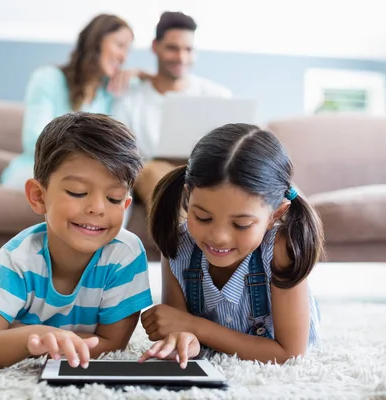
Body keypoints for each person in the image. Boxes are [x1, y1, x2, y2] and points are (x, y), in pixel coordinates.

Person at [0, 112, 152, 369]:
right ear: (38, 196)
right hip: (16, 312)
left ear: (125, 204)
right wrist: (29, 338)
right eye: (78, 192)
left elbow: (111, 345)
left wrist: (42, 339)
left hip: (24, 322)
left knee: (3, 321)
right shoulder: (18, 257)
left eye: (114, 198)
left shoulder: (126, 254)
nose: (97, 208)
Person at [138, 123, 323, 368]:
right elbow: (178, 329)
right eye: (203, 218)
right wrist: (182, 338)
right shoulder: (178, 245)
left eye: (242, 224)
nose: (219, 237)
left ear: (275, 215)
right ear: (187, 198)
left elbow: (289, 353)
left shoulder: (280, 249)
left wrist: (194, 326)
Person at [1, 14, 148, 191]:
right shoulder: (49, 78)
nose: (124, 58)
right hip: (39, 169)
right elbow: (34, 139)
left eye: (127, 51)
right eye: (119, 46)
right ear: (96, 42)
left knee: (118, 187)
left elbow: (159, 85)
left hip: (93, 172)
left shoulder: (110, 92)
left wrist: (139, 73)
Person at [112, 11, 232, 209]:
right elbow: (119, 154)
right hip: (153, 172)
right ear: (155, 47)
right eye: (172, 48)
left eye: (188, 49)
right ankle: (181, 237)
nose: (181, 57)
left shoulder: (217, 95)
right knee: (154, 173)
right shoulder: (130, 99)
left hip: (205, 171)